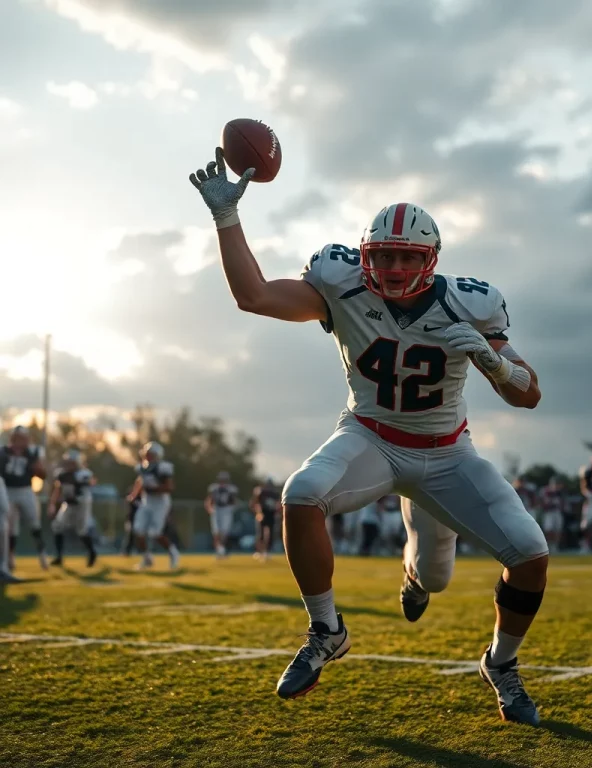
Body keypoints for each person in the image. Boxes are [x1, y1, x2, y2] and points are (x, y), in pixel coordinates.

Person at [190, 151, 548, 726]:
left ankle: (499, 662)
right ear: (364, 256)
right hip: (370, 438)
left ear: (431, 259)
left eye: (407, 257)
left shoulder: (471, 303)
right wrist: (227, 220)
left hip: (448, 453)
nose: (395, 268)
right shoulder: (341, 284)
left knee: (521, 557)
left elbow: (527, 395)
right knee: (301, 493)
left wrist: (494, 364)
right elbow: (254, 296)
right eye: (383, 255)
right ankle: (327, 629)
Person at [0, 426, 49, 571]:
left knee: (34, 522)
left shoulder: (33, 452)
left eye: (22, 438)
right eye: (17, 438)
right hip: (7, 490)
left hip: (26, 489)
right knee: (9, 526)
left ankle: (42, 554)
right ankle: (10, 557)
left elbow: (43, 474)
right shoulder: (3, 451)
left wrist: (36, 466)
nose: (20, 441)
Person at [126, 442, 179, 570]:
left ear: (157, 455)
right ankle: (147, 558)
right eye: (147, 454)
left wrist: (154, 489)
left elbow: (169, 487)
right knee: (138, 530)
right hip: (146, 502)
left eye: (151, 454)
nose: (148, 457)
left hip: (160, 502)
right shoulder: (142, 468)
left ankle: (173, 552)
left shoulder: (163, 468)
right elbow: (140, 481)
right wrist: (134, 494)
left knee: (155, 533)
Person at [48, 449, 97, 567]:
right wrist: (52, 504)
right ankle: (59, 557)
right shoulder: (61, 474)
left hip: (82, 504)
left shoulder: (83, 473)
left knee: (81, 530)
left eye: (72, 462)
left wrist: (82, 482)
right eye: (68, 462)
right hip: (68, 504)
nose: (69, 465)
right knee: (57, 526)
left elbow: (92, 481)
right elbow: (58, 489)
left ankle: (92, 552)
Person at [205, 471, 239, 558]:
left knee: (224, 531)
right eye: (221, 479)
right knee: (216, 531)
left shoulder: (231, 489)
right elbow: (209, 499)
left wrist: (232, 508)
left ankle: (221, 549)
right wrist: (209, 508)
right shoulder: (214, 488)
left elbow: (234, 501)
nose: (223, 481)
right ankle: (219, 550)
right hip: (216, 509)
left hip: (226, 509)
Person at [250, 478, 281, 561]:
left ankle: (267, 551)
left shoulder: (275, 494)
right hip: (262, 514)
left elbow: (278, 504)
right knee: (260, 534)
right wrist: (258, 513)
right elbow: (255, 503)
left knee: (270, 534)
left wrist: (277, 512)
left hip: (271, 514)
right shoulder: (261, 492)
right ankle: (259, 551)